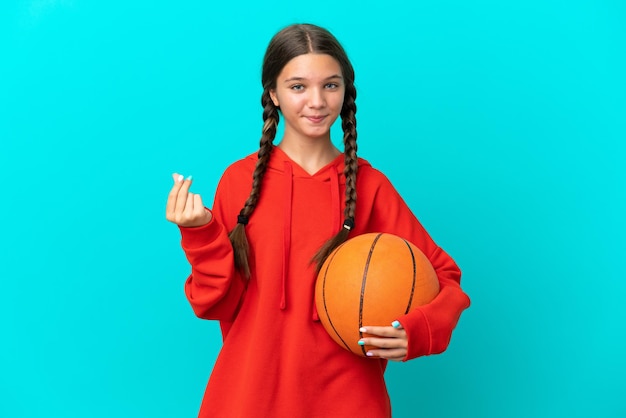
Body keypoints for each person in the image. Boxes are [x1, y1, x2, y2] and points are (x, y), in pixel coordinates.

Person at [166, 23, 470, 418]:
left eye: (331, 85)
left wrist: (418, 330)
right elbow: (213, 303)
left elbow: (445, 276)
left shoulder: (370, 187)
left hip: (350, 402)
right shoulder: (239, 182)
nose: (317, 101)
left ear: (346, 92)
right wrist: (200, 234)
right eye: (297, 87)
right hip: (246, 398)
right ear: (272, 94)